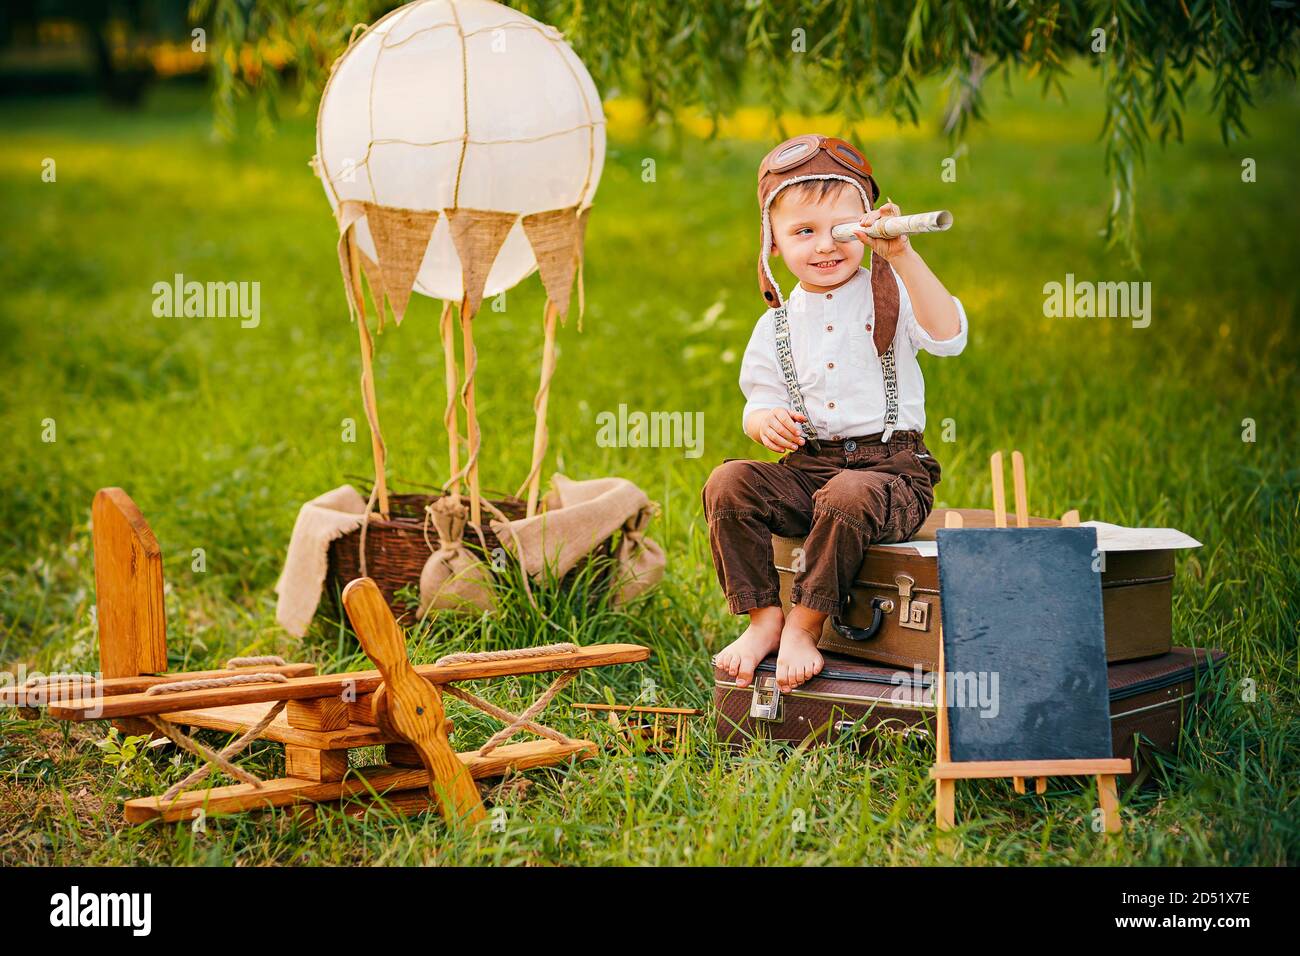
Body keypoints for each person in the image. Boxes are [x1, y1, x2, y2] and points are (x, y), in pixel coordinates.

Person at [704, 133, 968, 692]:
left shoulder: (889, 289)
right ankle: (764, 617)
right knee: (728, 483)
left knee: (847, 494)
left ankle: (805, 623)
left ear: (871, 226)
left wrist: (905, 256)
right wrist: (762, 420)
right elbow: (759, 397)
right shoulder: (775, 323)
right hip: (810, 470)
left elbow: (949, 336)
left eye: (842, 230)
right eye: (804, 232)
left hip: (891, 476)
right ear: (772, 243)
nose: (825, 247)